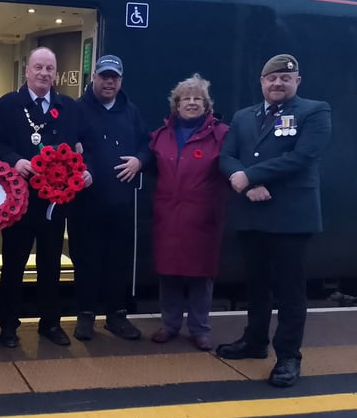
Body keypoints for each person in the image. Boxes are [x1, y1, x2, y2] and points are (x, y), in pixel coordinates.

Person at [217, 54, 331, 387]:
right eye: (271, 78)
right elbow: (227, 155)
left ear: (297, 81)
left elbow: (303, 156)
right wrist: (246, 180)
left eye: (285, 77)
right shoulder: (244, 116)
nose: (277, 83)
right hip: (252, 215)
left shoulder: (314, 111)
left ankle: (288, 357)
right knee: (256, 286)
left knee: (290, 291)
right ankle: (254, 342)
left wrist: (247, 176)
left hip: (291, 218)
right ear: (262, 83)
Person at [0, 46, 85, 348]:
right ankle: (7, 325)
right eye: (38, 68)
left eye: (49, 69)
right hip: (18, 202)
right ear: (27, 71)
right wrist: (15, 160)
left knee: (50, 265)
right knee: (13, 265)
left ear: (55, 74)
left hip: (54, 204)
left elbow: (79, 146)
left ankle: (50, 323)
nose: (44, 73)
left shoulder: (68, 107)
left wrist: (82, 167)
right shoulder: (8, 105)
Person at [68, 55, 151, 342]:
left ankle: (117, 316)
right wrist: (84, 169)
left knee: (118, 263)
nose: (109, 81)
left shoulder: (131, 111)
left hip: (122, 206)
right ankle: (86, 317)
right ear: (94, 78)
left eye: (114, 77)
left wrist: (139, 161)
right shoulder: (76, 110)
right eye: (104, 76)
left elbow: (146, 145)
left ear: (121, 80)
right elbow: (67, 150)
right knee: (86, 262)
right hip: (86, 205)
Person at [148, 74, 229, 351]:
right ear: (176, 104)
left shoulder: (221, 135)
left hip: (203, 217)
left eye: (198, 99)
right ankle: (169, 325)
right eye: (186, 99)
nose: (192, 103)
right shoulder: (160, 136)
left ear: (206, 105)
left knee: (200, 275)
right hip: (167, 214)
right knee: (168, 272)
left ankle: (199, 328)